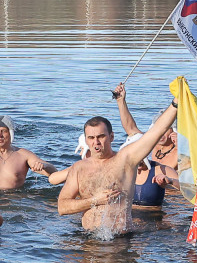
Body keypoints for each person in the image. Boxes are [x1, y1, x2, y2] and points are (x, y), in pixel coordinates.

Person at [57, 99, 179, 235]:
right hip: (88, 238)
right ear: (86, 140)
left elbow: (156, 132)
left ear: (111, 137)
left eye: (101, 136)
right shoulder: (78, 168)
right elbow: (62, 207)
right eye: (91, 138)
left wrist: (175, 104)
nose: (96, 142)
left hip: (120, 239)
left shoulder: (125, 160)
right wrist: (95, 201)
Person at [112, 83, 178, 208]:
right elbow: (130, 128)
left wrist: (184, 148)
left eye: (165, 128)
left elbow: (191, 182)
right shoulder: (150, 144)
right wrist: (121, 101)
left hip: (172, 197)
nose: (161, 133)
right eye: (157, 128)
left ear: (173, 131)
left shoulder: (181, 149)